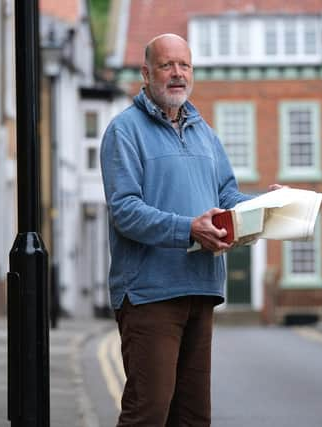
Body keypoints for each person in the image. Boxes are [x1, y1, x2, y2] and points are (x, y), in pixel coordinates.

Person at [101, 33, 282, 426]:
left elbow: (227, 196)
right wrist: (189, 229)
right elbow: (125, 211)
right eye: (168, 65)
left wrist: (264, 204)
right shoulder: (124, 131)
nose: (178, 73)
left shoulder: (205, 133)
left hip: (201, 287)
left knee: (193, 418)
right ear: (146, 73)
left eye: (184, 65)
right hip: (149, 294)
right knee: (148, 415)